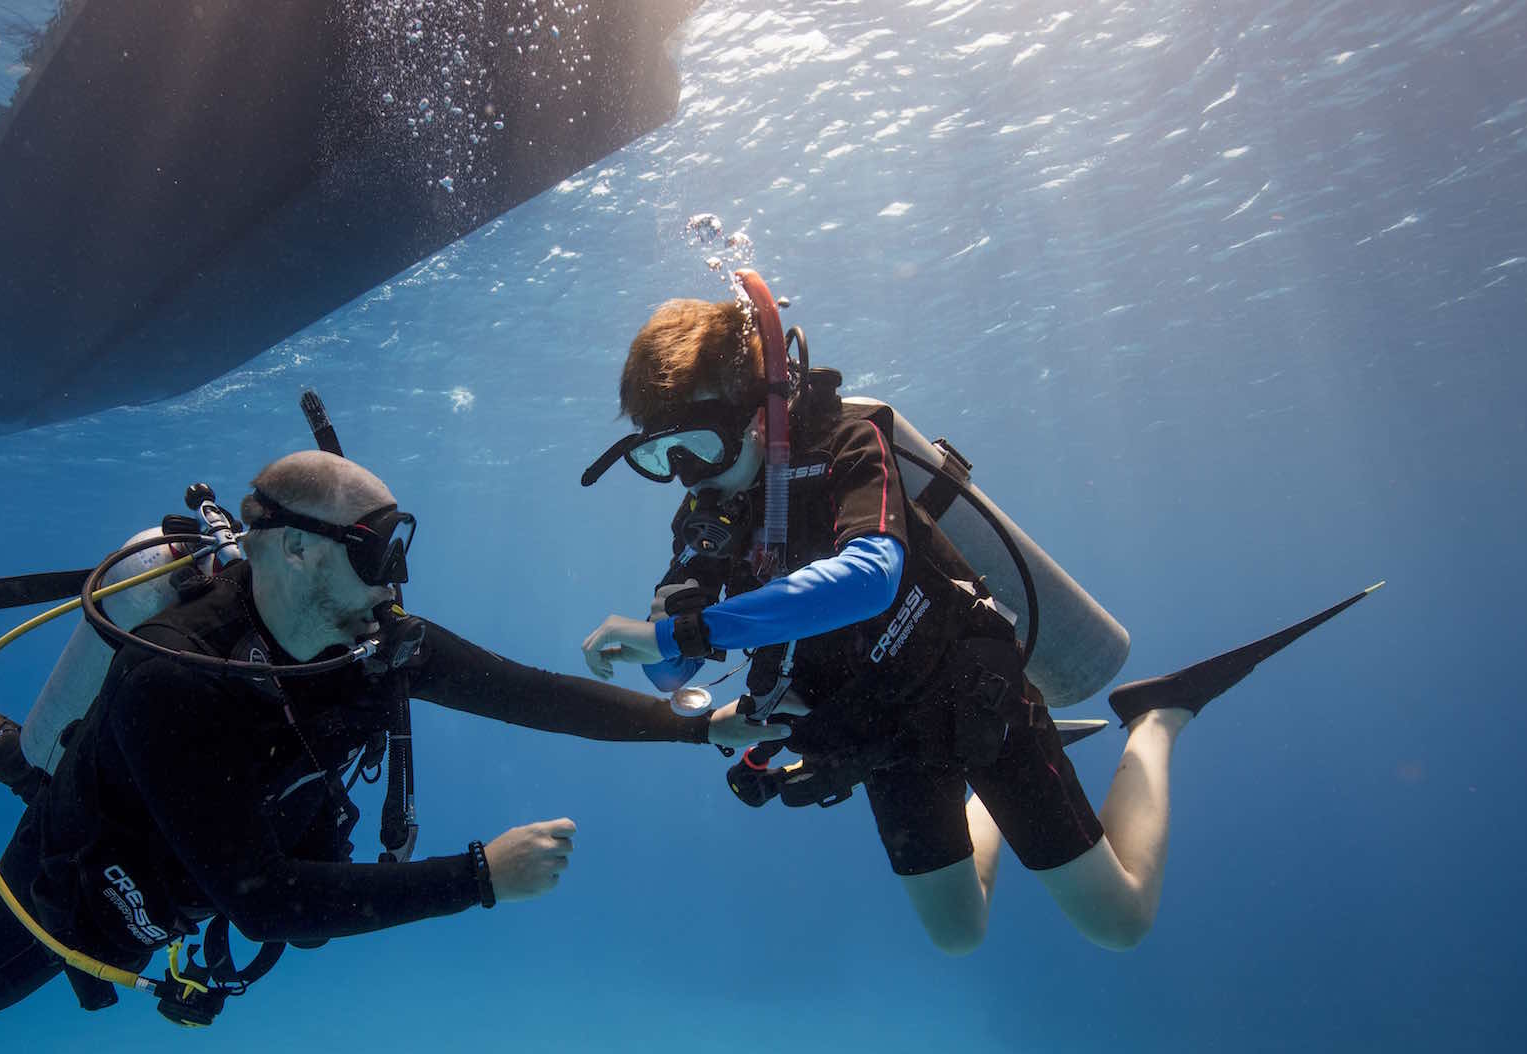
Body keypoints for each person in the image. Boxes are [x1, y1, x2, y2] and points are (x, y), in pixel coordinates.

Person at [0, 450, 774, 1021]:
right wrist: (481, 876)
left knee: (110, 787)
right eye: (373, 551)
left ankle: (3, 750)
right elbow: (269, 906)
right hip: (109, 857)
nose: (392, 582)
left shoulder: (371, 640)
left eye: (398, 547)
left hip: (205, 823)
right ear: (290, 548)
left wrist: (699, 728)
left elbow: (528, 694)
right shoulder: (176, 676)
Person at [578, 287, 1371, 955]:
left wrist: (686, 635)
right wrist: (674, 641)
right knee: (958, 934)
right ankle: (994, 793)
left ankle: (1154, 718)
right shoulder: (706, 512)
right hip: (879, 735)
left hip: (970, 695)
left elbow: (868, 577)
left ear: (761, 413)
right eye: (661, 457)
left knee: (1118, 921)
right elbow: (672, 667)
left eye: (698, 446)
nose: (686, 474)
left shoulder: (850, 446)